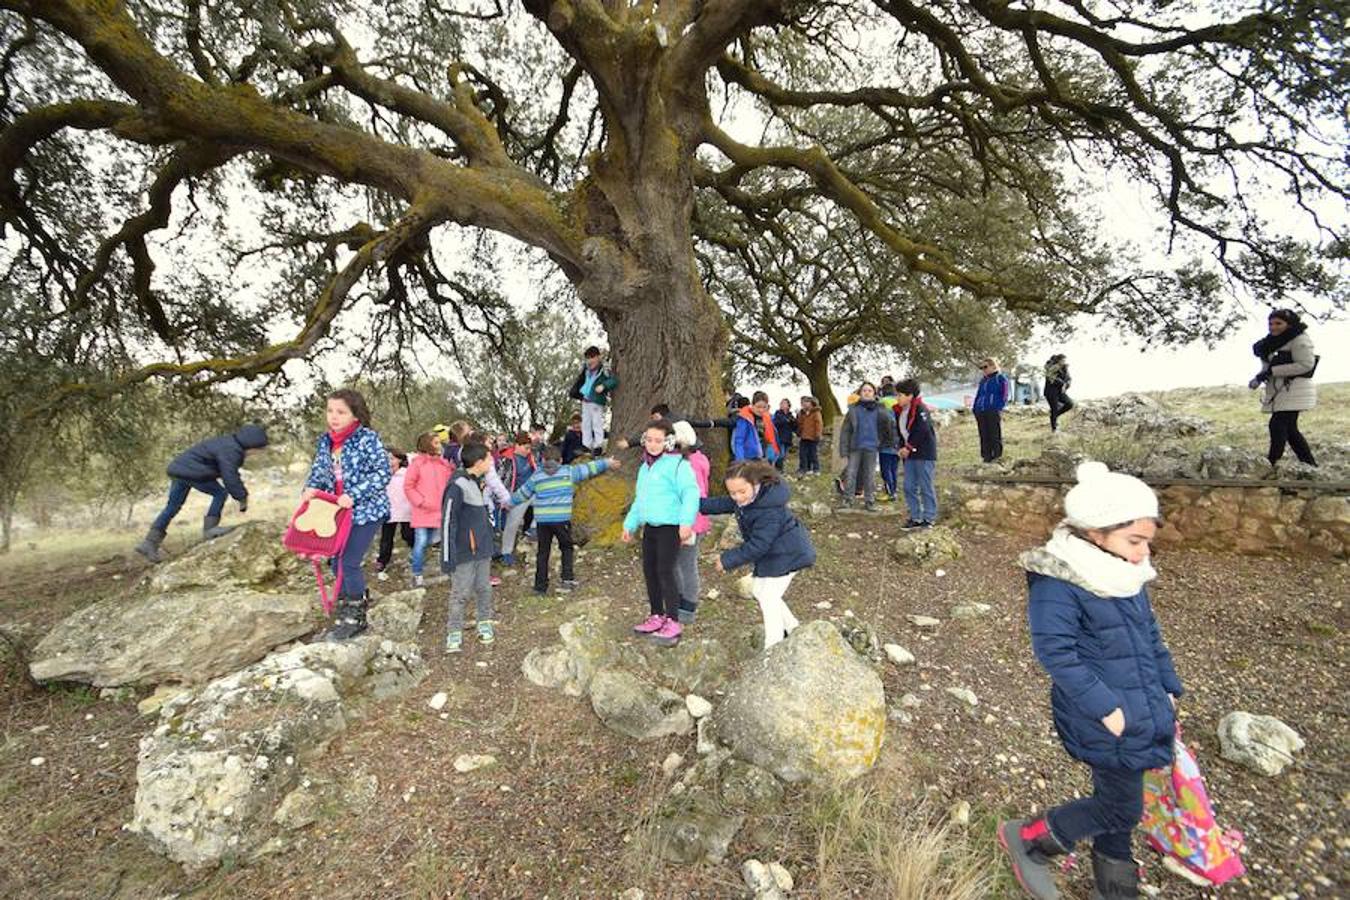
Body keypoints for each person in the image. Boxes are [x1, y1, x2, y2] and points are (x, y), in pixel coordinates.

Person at [998, 461, 1183, 900]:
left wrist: (1169, 685)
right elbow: (1056, 652)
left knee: (1121, 796)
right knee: (1120, 804)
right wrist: (1106, 707)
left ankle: (1115, 887)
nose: (1143, 553)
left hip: (1142, 703)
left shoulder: (1126, 574)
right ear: (1096, 532)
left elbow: (1149, 635)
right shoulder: (1060, 580)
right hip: (1103, 714)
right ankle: (1031, 839)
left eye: (1147, 542)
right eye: (1134, 541)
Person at [302, 389, 391, 641]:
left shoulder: (367, 438)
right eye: (330, 411)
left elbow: (381, 473)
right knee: (334, 561)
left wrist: (355, 494)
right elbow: (319, 472)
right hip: (336, 511)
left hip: (367, 511)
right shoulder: (326, 441)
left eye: (341, 412)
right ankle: (349, 602)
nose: (334, 417)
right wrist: (310, 490)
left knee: (347, 562)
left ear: (355, 415)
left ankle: (356, 617)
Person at [699, 460, 815, 649]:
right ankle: (793, 627)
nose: (737, 497)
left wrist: (727, 559)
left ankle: (773, 646)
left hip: (790, 554)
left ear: (755, 484)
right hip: (775, 555)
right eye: (732, 493)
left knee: (768, 596)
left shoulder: (769, 509)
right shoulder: (747, 499)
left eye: (741, 492)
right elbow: (720, 503)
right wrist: (694, 504)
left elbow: (758, 545)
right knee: (760, 591)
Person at [134, 424, 270, 562]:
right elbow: (229, 475)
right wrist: (242, 496)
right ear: (251, 444)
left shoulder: (228, 442)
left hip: (178, 469)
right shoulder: (231, 450)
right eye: (258, 450)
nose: (256, 454)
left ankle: (149, 543)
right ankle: (210, 529)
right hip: (191, 472)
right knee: (220, 493)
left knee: (172, 506)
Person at [622, 419, 700, 647]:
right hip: (651, 528)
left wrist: (686, 523)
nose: (653, 444)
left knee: (666, 571)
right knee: (650, 571)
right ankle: (657, 615)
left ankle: (674, 620)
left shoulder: (678, 465)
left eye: (658, 440)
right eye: (649, 440)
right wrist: (629, 525)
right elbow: (640, 500)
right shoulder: (644, 468)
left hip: (670, 527)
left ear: (668, 442)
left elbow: (690, 494)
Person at [510, 447, 620, 594]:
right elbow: (589, 468)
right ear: (560, 460)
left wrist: (508, 502)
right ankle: (567, 580)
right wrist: (607, 462)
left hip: (542, 521)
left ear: (543, 460)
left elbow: (523, 494)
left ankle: (540, 587)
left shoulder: (537, 476)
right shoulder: (568, 471)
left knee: (543, 553)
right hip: (561, 520)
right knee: (566, 548)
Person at [440, 442, 497, 653]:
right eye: (489, 459)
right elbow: (448, 521)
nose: (492, 462)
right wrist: (447, 556)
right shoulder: (457, 485)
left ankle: (484, 622)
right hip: (464, 552)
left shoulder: (476, 482)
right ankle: (454, 633)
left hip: (482, 549)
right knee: (460, 593)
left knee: (484, 589)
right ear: (479, 462)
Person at [1249, 308, 1318, 467]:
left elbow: (1306, 365)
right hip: (1280, 390)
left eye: (1278, 323)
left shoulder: (1300, 340)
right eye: (1271, 323)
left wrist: (1274, 371)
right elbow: (1269, 366)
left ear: (1289, 324)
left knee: (1277, 425)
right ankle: (1310, 465)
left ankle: (1272, 463)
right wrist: (1259, 378)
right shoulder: (1270, 343)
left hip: (1294, 389)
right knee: (1291, 431)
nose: (1273, 327)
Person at [671, 420, 712, 624]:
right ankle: (681, 602)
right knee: (680, 562)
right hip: (696, 518)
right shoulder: (700, 459)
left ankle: (687, 607)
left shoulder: (686, 463)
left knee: (685, 563)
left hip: (688, 520)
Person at [403, 431, 455, 587]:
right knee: (421, 541)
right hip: (423, 511)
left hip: (440, 510)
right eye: (436, 442)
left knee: (432, 540)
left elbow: (450, 483)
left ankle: (415, 558)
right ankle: (417, 573)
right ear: (427, 445)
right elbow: (408, 486)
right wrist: (420, 501)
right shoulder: (417, 464)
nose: (440, 445)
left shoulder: (444, 464)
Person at [837, 382, 896, 511]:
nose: (867, 393)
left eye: (870, 390)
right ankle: (848, 500)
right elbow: (845, 431)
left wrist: (885, 442)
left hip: (872, 447)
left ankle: (869, 501)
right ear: (860, 393)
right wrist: (843, 449)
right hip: (855, 447)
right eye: (864, 390)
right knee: (851, 474)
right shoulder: (853, 410)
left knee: (869, 476)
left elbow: (889, 426)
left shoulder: (881, 409)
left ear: (874, 393)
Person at [895, 378, 938, 528]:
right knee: (909, 486)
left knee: (925, 485)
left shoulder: (920, 409)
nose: (897, 398)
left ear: (910, 395)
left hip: (923, 453)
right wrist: (901, 447)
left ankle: (929, 517)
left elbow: (922, 430)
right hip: (909, 455)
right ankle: (916, 516)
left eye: (900, 394)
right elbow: (901, 432)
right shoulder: (900, 411)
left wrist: (909, 447)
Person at [498, 432, 539, 566]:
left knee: (544, 500)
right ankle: (506, 552)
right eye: (526, 448)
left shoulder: (530, 457)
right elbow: (502, 480)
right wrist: (505, 499)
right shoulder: (508, 459)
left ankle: (533, 528)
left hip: (531, 492)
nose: (528, 451)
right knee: (512, 524)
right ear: (517, 445)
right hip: (516, 496)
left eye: (529, 448)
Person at [569, 346, 619, 453]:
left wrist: (604, 386)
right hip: (585, 400)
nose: (590, 360)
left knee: (596, 423)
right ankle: (586, 445)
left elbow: (613, 380)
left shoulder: (603, 370)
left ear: (598, 357)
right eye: (588, 358)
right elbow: (580, 382)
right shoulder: (586, 370)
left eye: (592, 357)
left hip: (596, 400)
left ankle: (598, 445)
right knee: (586, 423)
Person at [374, 448, 414, 581]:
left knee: (408, 534)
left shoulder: (407, 473)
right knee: (386, 538)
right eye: (386, 458)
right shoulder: (381, 474)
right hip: (388, 510)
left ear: (400, 459)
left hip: (405, 509)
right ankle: (382, 561)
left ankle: (416, 551)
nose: (389, 461)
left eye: (392, 458)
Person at [973, 357, 1011, 463]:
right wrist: (975, 408)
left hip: (992, 410)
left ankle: (997, 456)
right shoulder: (983, 381)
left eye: (985, 367)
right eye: (981, 368)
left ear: (993, 366)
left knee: (994, 433)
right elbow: (979, 394)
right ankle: (986, 456)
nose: (983, 370)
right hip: (981, 410)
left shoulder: (1001, 378)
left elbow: (1004, 395)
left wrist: (998, 407)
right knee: (983, 434)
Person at [877, 383, 901, 500]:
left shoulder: (881, 404)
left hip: (885, 443)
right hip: (898, 442)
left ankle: (889, 493)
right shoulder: (899, 403)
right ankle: (894, 490)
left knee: (885, 470)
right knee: (893, 469)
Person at [1044, 354, 1074, 432]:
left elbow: (1069, 378)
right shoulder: (1051, 367)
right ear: (1059, 360)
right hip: (1051, 392)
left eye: (1065, 360)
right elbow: (1051, 378)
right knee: (1054, 409)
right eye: (1063, 360)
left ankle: (1054, 416)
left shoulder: (1065, 368)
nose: (1064, 362)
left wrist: (1067, 384)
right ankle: (1054, 429)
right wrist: (1062, 384)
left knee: (1070, 404)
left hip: (1060, 392)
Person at [796, 396, 823, 475]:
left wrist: (818, 434)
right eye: (803, 403)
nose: (804, 404)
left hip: (813, 437)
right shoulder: (802, 413)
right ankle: (804, 468)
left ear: (811, 403)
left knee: (813, 454)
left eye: (806, 402)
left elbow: (819, 424)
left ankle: (816, 469)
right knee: (803, 454)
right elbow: (800, 424)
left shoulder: (816, 413)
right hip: (804, 436)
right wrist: (799, 432)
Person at [772, 399, 796, 472]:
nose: (783, 405)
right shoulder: (778, 414)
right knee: (780, 454)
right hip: (779, 436)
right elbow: (775, 423)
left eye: (784, 403)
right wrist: (785, 421)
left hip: (788, 437)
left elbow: (794, 426)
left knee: (784, 454)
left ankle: (780, 468)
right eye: (781, 403)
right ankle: (778, 468)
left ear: (788, 406)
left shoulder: (790, 415)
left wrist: (793, 422)